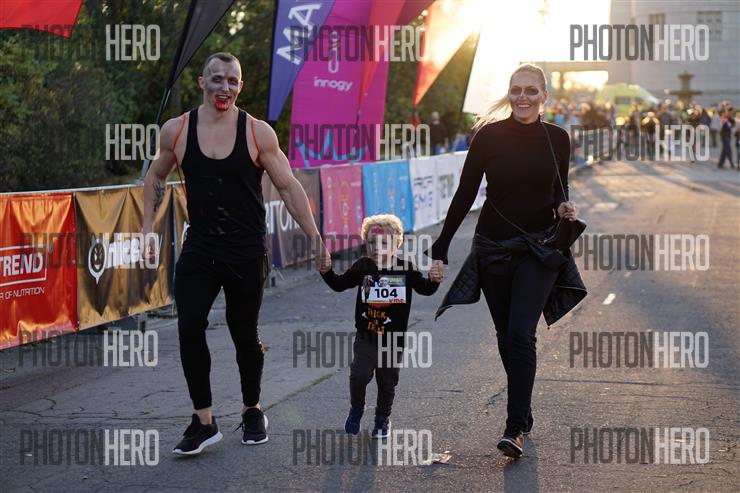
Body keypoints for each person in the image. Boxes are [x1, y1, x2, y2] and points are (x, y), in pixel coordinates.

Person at [142, 52, 331, 456]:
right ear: (201, 83)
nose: (224, 87)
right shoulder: (177, 130)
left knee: (243, 333)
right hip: (201, 246)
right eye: (216, 79)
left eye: (232, 81)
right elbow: (156, 175)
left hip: (246, 249)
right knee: (189, 324)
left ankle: (252, 409)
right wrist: (146, 229)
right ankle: (204, 421)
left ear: (240, 87)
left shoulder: (257, 133)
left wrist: (314, 238)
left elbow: (288, 187)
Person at [425, 63, 587, 459]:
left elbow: (559, 188)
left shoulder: (557, 138)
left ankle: (514, 428)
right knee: (504, 335)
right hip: (493, 247)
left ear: (544, 96)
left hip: (539, 249)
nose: (523, 97)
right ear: (509, 93)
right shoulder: (488, 136)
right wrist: (441, 246)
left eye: (531, 91)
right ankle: (523, 411)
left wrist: (564, 206)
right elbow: (465, 193)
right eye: (517, 90)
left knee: (520, 333)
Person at [319, 214, 442, 438]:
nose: (377, 248)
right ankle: (357, 409)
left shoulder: (405, 269)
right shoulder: (363, 266)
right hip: (366, 336)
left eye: (384, 243)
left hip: (393, 339)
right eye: (371, 243)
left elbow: (425, 289)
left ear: (397, 244)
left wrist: (434, 280)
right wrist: (326, 271)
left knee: (387, 381)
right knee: (359, 376)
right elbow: (339, 284)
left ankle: (382, 418)